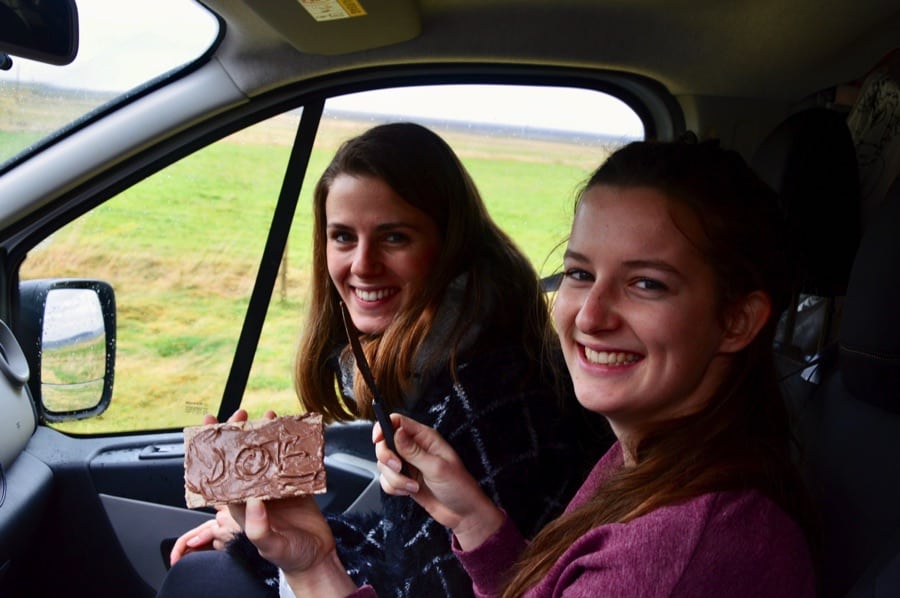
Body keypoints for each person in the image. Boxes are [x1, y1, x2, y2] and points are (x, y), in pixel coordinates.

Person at [219, 137, 818, 597]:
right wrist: (472, 522)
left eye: (646, 283)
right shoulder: (643, 464)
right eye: (580, 273)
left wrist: (316, 570)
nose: (590, 316)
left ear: (737, 320)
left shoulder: (675, 552)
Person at [159, 122, 609, 597]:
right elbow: (412, 551)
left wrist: (296, 566)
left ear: (449, 246)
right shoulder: (448, 359)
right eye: (343, 238)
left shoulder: (483, 395)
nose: (362, 264)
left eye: (394, 237)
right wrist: (264, 540)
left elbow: (424, 584)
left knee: (199, 578)